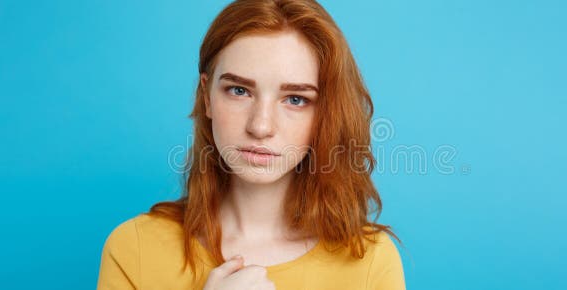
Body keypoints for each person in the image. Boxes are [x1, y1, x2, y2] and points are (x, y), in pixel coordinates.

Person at [97, 0, 405, 289]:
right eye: (239, 91)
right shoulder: (133, 249)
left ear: (326, 113)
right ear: (207, 96)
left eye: (295, 99)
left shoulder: (371, 262)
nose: (260, 126)